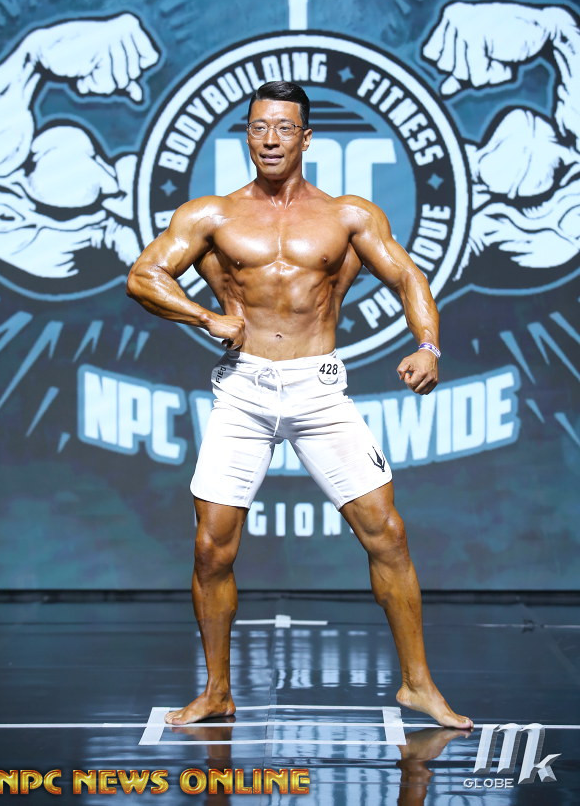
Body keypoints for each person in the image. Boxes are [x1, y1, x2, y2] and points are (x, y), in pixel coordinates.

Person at [127, 80, 472, 731]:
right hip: (244, 389)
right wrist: (205, 317)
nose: (271, 139)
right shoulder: (212, 216)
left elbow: (408, 276)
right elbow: (143, 276)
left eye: (284, 128)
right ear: (246, 135)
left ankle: (418, 685)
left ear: (306, 138)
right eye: (259, 127)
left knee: (387, 533)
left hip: (318, 388)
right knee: (211, 549)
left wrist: (427, 345)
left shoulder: (347, 216)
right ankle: (217, 691)